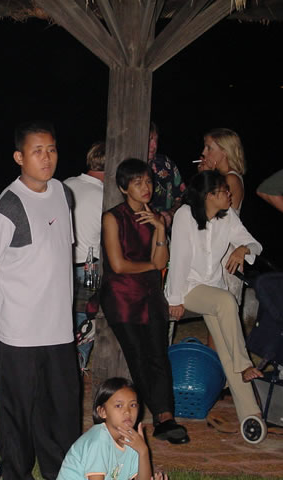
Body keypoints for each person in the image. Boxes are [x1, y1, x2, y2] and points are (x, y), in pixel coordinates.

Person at [0, 121, 80, 479]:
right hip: (18, 326)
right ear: (19, 157)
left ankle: (62, 472)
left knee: (61, 406)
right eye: (37, 151)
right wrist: (23, 276)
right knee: (18, 408)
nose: (46, 158)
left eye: (51, 149)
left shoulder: (63, 193)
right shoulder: (9, 205)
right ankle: (15, 473)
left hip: (58, 324)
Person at [165, 170, 265, 435]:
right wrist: (175, 298)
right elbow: (179, 259)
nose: (229, 194)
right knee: (227, 302)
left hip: (213, 291)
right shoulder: (185, 215)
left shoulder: (227, 216)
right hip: (188, 288)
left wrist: (243, 249)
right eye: (223, 191)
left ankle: (251, 414)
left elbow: (254, 244)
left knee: (226, 349)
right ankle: (245, 364)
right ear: (209, 195)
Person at [101, 158, 189, 445]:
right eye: (137, 182)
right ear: (123, 187)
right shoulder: (113, 217)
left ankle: (165, 417)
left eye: (148, 181)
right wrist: (152, 266)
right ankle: (150, 415)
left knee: (158, 356)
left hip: (150, 295)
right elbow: (118, 264)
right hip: (122, 296)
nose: (146, 187)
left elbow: (162, 260)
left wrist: (160, 229)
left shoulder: (155, 218)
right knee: (138, 356)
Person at [57, 377, 167, 480]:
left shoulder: (132, 440)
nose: (127, 411)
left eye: (133, 405)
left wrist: (143, 451)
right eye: (119, 405)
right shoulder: (99, 440)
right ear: (102, 412)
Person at [64, 141, 105, 370]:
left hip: (61, 265)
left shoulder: (66, 184)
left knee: (64, 320)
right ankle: (77, 367)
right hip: (89, 268)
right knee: (85, 322)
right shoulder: (105, 196)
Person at [199, 128, 247, 304]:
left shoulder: (231, 179)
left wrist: (205, 178)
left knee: (223, 308)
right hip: (215, 247)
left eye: (209, 148)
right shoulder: (220, 178)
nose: (204, 153)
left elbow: (211, 213)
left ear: (224, 152)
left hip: (225, 251)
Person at [147, 121, 186, 227]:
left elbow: (183, 197)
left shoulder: (166, 164)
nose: (154, 146)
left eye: (156, 140)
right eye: (150, 139)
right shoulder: (128, 166)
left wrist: (171, 214)